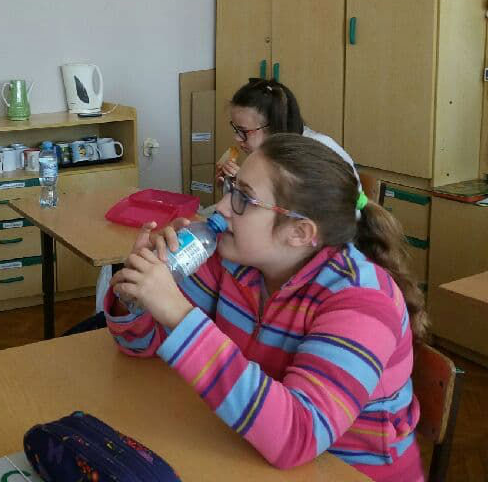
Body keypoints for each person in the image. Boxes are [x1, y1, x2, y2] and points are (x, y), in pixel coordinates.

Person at [108, 134, 427, 482]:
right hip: (247, 449)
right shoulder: (232, 258)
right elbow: (139, 345)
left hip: (348, 471)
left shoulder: (362, 301)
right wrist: (138, 292)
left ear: (300, 232)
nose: (222, 207)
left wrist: (179, 315)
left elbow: (299, 436)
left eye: (244, 198)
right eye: (231, 188)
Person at [218, 78, 356, 181]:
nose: (237, 137)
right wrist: (233, 186)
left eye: (244, 131)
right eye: (235, 128)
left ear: (273, 127)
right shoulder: (269, 151)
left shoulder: (314, 154)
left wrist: (247, 188)